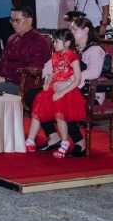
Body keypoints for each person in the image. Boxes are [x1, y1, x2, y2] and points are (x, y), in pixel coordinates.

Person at [26, 17, 105, 157]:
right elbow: (49, 65)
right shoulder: (69, 49)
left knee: (61, 103)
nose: (71, 31)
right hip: (64, 88)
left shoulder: (94, 50)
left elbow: (93, 72)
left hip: (88, 93)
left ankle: (79, 141)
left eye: (74, 29)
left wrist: (68, 82)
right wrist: (49, 78)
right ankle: (53, 136)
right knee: (33, 96)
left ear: (85, 30)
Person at [25, 29, 85, 158]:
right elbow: (53, 72)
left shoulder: (73, 57)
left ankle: (64, 143)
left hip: (68, 92)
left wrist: (62, 92)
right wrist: (47, 81)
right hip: (54, 88)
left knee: (60, 114)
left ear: (67, 43)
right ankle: (30, 140)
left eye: (57, 41)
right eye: (54, 41)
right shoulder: (55, 56)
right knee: (38, 109)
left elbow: (77, 79)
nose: (54, 43)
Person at [0, 5, 51, 94]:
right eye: (12, 20)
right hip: (2, 78)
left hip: (22, 83)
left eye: (17, 20)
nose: (13, 24)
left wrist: (5, 79)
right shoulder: (12, 39)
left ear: (29, 21)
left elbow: (35, 70)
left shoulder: (39, 41)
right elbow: (3, 62)